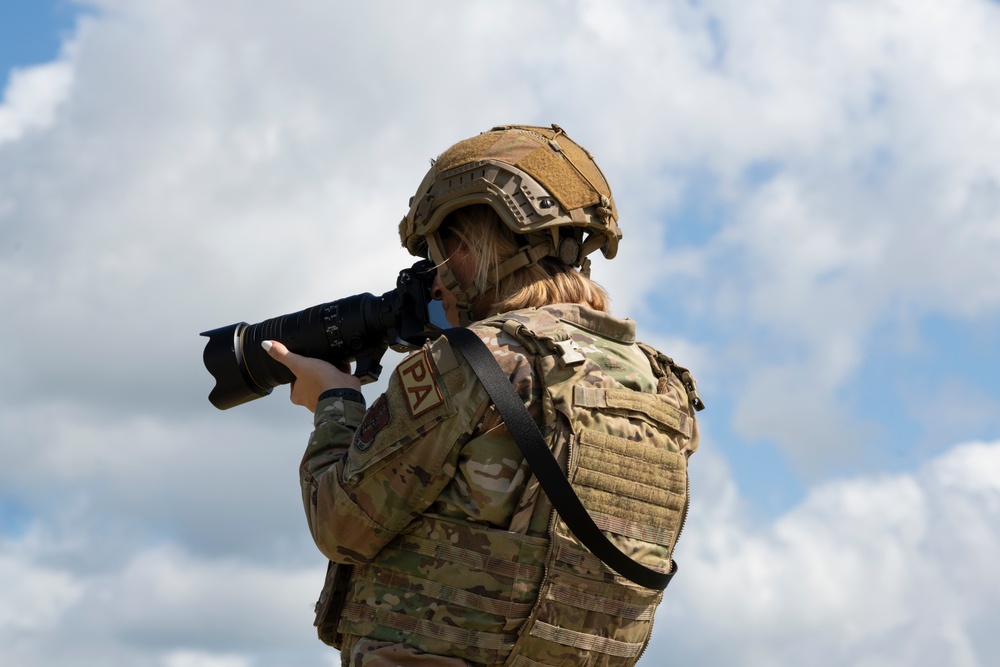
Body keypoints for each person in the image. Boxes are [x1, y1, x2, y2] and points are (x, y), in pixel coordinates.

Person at [263, 124, 703, 667]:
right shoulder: (660, 384)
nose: (434, 275)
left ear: (480, 243)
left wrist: (333, 401)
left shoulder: (473, 362)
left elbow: (341, 524)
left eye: (441, 247)